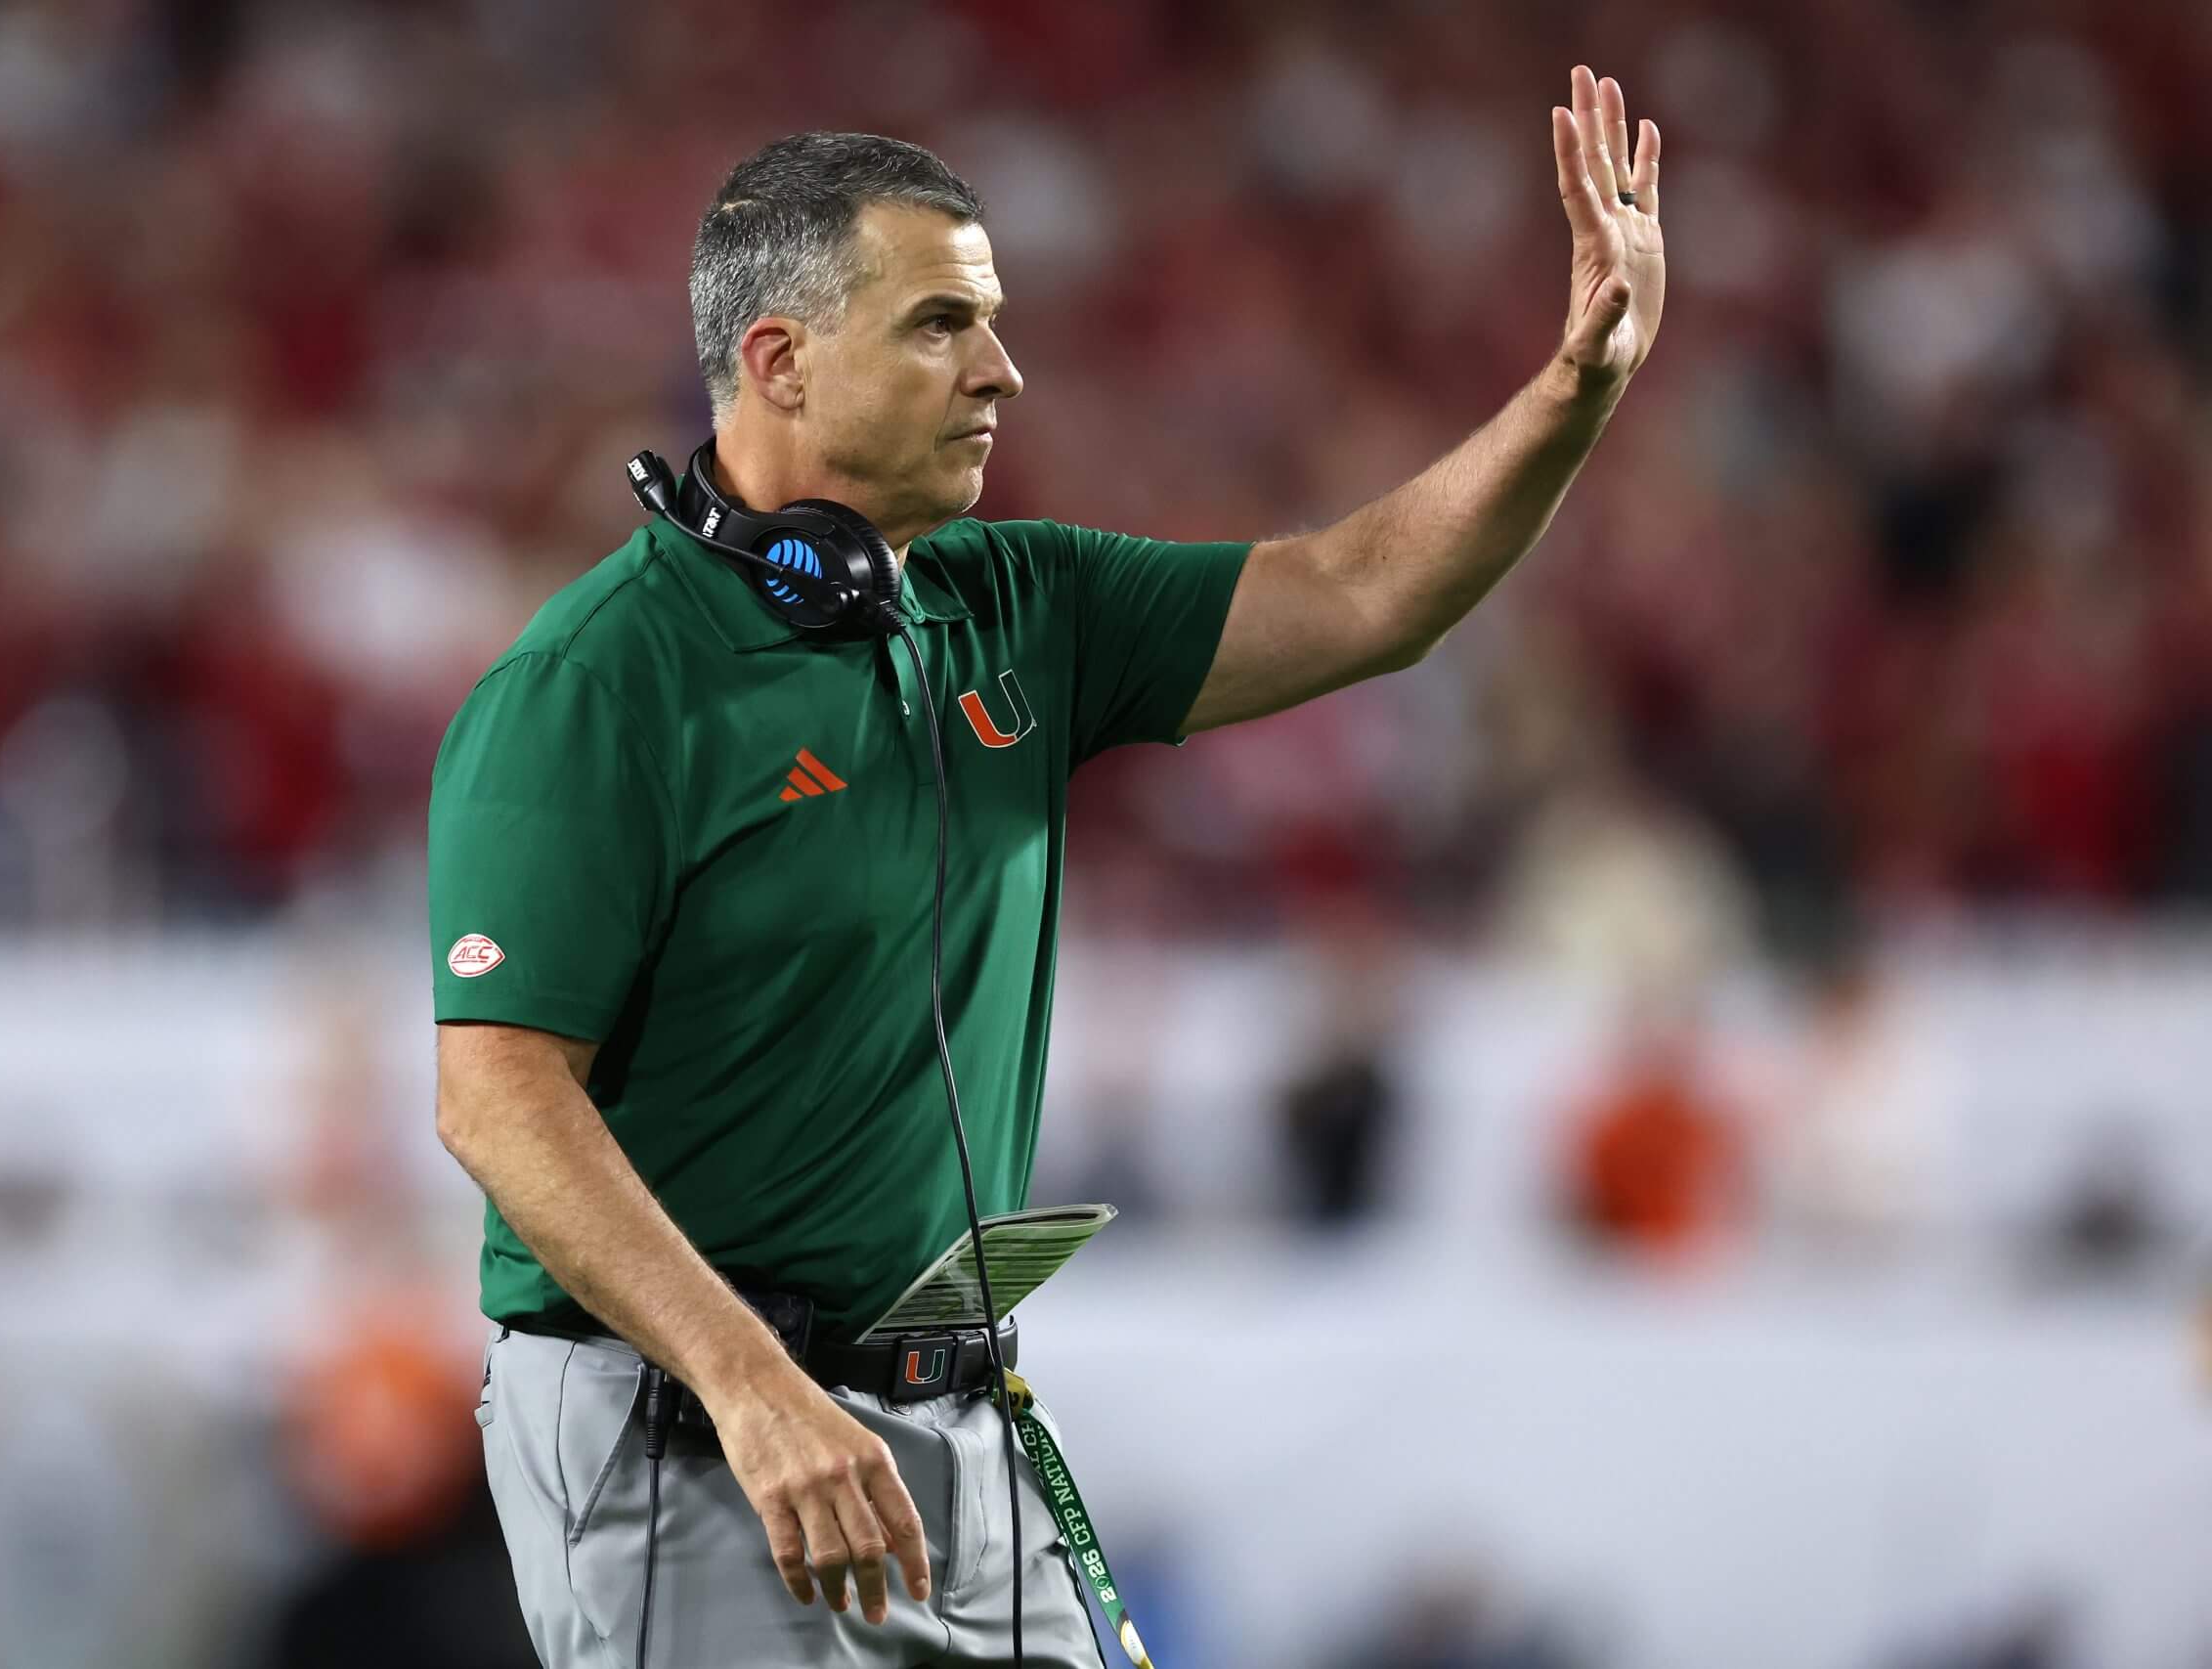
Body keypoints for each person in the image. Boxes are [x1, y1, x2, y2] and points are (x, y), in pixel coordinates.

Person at [430, 66, 1665, 1669]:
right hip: (698, 1433)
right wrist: (752, 1385)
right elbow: (498, 1099)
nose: (1001, 369)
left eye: (993, 321)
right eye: (941, 324)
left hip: (955, 1420)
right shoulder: (595, 684)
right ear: (779, 360)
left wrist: (1575, 389)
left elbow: (1366, 594)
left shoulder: (1017, 606)